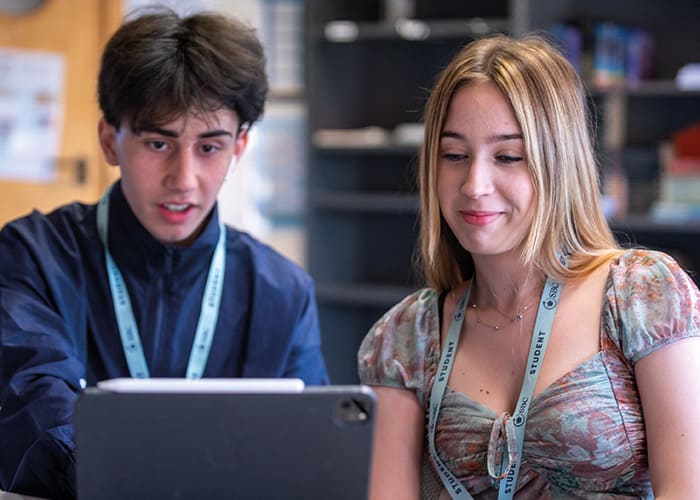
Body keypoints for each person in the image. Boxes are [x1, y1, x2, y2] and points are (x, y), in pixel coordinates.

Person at [0, 8, 328, 499]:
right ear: (110, 140)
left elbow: (309, 450)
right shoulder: (33, 256)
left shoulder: (280, 290)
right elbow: (35, 409)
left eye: (210, 148)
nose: (184, 178)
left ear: (239, 147)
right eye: (158, 142)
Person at [358, 33, 700, 499]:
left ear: (558, 164)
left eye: (508, 157)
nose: (475, 184)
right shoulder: (407, 335)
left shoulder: (642, 294)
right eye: (454, 156)